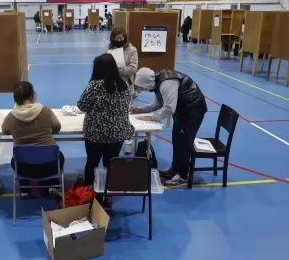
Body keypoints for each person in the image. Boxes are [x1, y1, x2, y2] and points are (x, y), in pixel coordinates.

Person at [131, 68, 207, 187]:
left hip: (193, 110)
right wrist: (141, 110)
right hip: (183, 111)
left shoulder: (166, 84)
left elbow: (169, 108)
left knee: (184, 142)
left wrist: (151, 118)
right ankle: (175, 169)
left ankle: (183, 176)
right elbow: (157, 104)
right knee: (177, 140)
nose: (142, 90)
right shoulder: (157, 83)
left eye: (142, 88)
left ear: (147, 83)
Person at [77, 53, 134, 186]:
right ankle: (108, 190)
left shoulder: (94, 86)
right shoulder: (124, 85)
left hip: (96, 133)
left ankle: (89, 190)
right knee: (110, 163)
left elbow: (82, 106)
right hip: (118, 133)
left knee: (92, 162)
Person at [2, 81, 63, 196]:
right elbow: (57, 128)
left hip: (23, 168)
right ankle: (53, 185)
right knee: (58, 156)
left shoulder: (11, 116)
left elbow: (5, 130)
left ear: (16, 98)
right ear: (32, 95)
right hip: (50, 166)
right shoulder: (46, 111)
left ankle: (25, 189)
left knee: (17, 158)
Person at [108, 27, 138, 155]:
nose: (120, 40)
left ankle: (129, 143)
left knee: (126, 115)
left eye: (122, 38)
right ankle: (112, 139)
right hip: (112, 86)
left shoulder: (132, 50)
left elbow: (133, 68)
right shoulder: (110, 49)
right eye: (117, 38)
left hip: (126, 86)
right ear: (113, 38)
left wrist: (120, 69)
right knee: (111, 113)